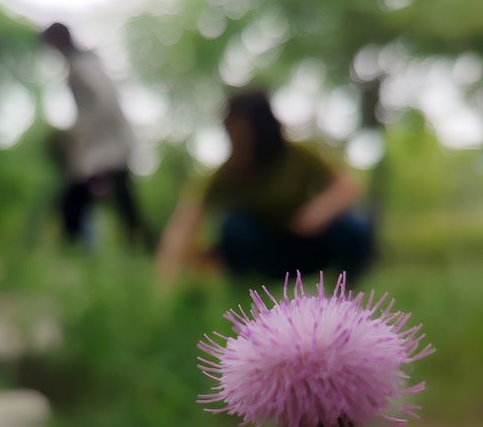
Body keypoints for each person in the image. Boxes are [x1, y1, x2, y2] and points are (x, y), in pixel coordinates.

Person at [156, 88, 374, 283]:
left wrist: (317, 212)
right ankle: (244, 296)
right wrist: (166, 276)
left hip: (306, 242)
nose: (235, 143)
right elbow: (185, 220)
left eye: (241, 136)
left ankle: (348, 293)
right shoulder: (226, 172)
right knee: (233, 227)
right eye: (230, 136)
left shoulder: (297, 155)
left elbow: (347, 186)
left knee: (355, 226)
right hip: (265, 252)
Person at [41, 22, 151, 247]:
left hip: (104, 144)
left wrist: (82, 134)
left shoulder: (80, 66)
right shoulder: (85, 62)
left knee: (80, 196)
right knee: (120, 196)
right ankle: (139, 242)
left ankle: (75, 243)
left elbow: (103, 101)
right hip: (105, 142)